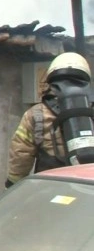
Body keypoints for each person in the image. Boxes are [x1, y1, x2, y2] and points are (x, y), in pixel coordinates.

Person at [6, 52, 92, 187]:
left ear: (51, 80)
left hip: (51, 188)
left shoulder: (35, 114)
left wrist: (12, 184)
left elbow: (21, 155)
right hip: (88, 188)